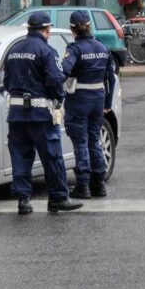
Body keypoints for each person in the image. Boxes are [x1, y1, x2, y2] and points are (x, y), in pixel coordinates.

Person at [3, 11, 83, 215]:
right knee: (52, 156)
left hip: (16, 114)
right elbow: (56, 81)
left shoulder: (13, 49)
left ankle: (23, 200)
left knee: (20, 157)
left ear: (29, 29)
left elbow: (7, 82)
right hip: (40, 115)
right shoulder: (46, 51)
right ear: (47, 30)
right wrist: (58, 99)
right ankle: (58, 197)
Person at [62, 11, 116, 199]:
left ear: (72, 29)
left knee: (80, 142)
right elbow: (110, 76)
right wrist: (108, 102)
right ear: (89, 26)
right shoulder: (102, 47)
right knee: (94, 139)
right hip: (98, 98)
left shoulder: (74, 49)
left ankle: (83, 185)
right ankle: (99, 184)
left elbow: (65, 71)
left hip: (79, 99)